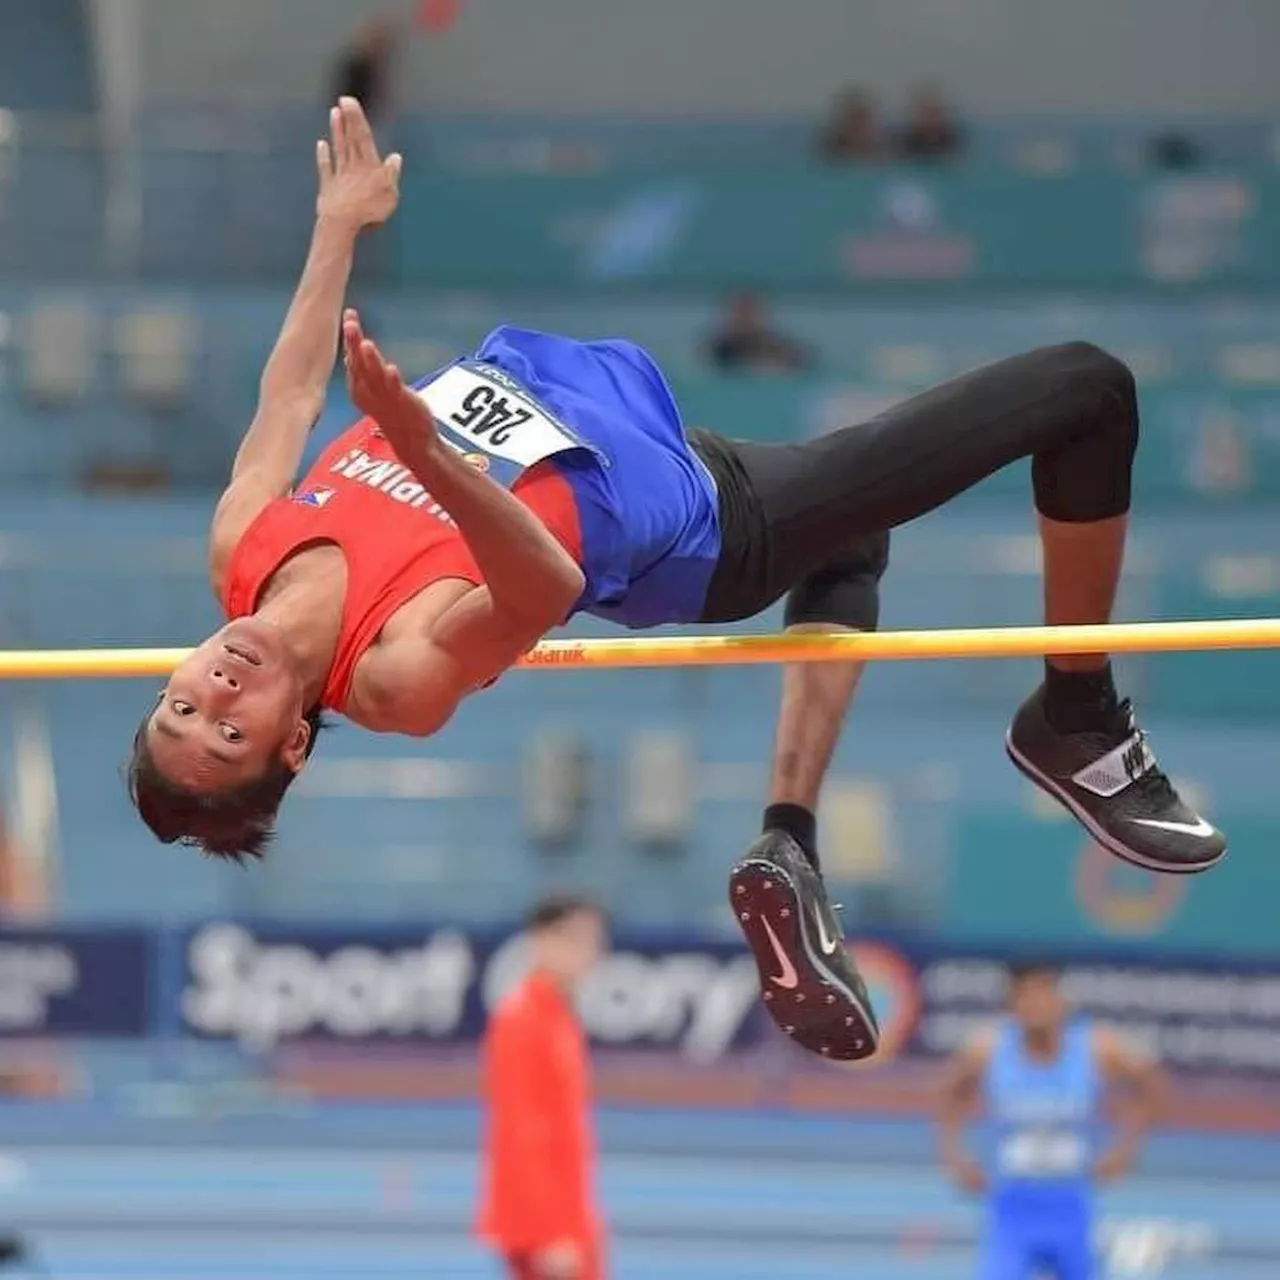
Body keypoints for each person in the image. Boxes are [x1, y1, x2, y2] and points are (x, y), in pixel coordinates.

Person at [127, 98, 1226, 1063]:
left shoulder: (243, 548)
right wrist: (424, 454)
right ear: (294, 741)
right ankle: (1073, 714)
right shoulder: (390, 679)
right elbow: (538, 582)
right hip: (710, 530)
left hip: (661, 442)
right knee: (1085, 390)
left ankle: (788, 838)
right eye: (229, 731)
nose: (214, 691)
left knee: (852, 536)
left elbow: (283, 399)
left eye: (180, 703)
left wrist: (336, 228)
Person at [938, 962, 1161, 1280]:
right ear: (1011, 1003)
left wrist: (1125, 1150)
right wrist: (956, 1157)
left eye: (1044, 993)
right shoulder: (988, 1048)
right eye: (1026, 996)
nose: (1036, 1005)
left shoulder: (1096, 1047)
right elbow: (949, 1094)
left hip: (1071, 1203)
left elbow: (1150, 1084)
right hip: (1012, 1206)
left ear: (1060, 999)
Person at [478, 896, 607, 1280]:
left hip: (570, 1216)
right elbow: (522, 1131)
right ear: (541, 940)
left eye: (594, 943)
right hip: (545, 1227)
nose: (589, 955)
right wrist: (551, 1232)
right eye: (577, 941)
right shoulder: (521, 1019)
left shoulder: (559, 1015)